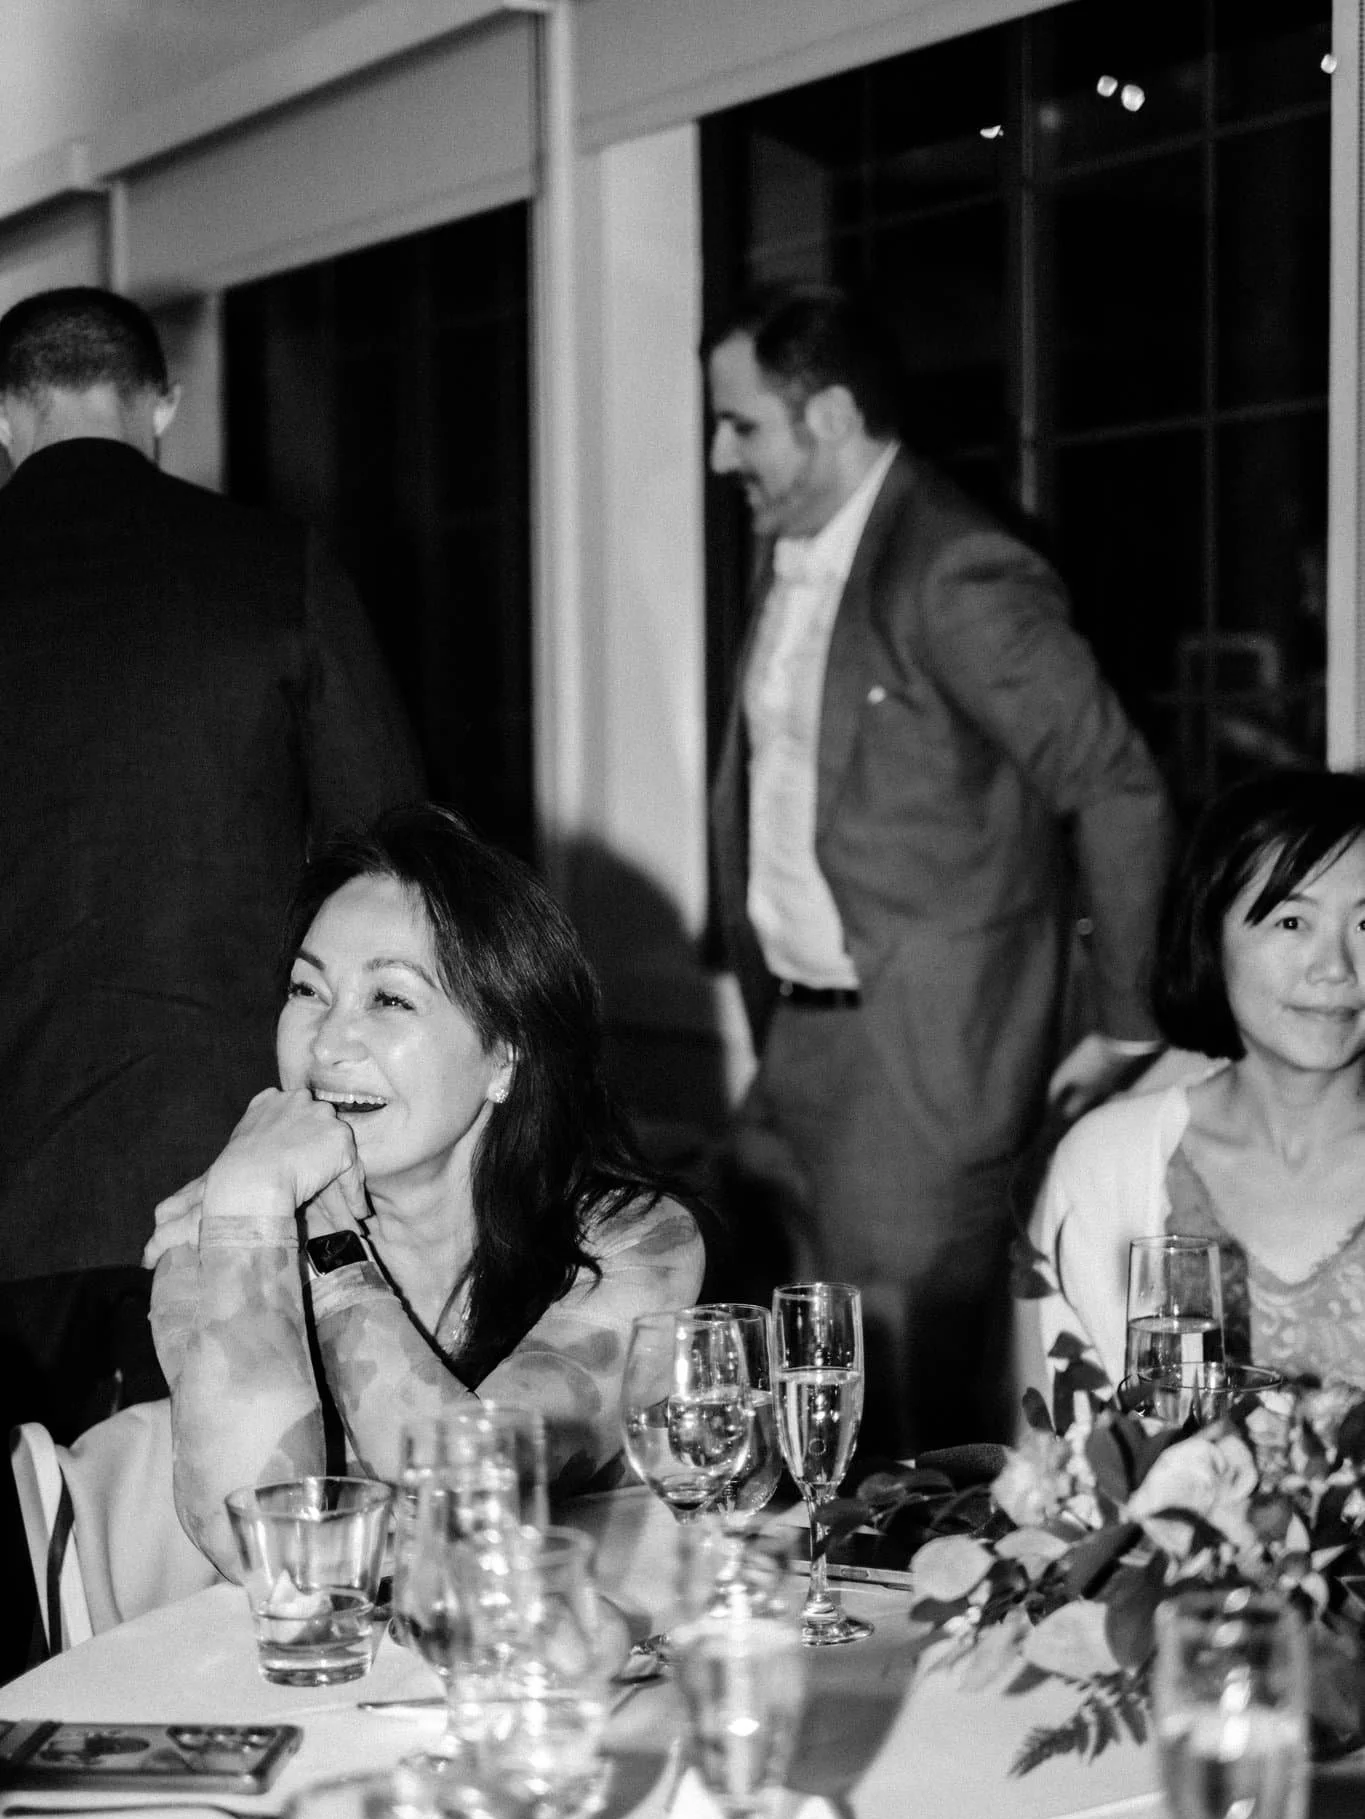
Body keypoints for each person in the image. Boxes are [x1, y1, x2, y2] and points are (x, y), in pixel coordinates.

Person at [706, 281, 1174, 1455]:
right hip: (795, 1045)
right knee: (795, 1405)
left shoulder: (957, 567)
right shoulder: (792, 552)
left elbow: (1116, 784)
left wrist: (1123, 1020)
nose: (721, 454)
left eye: (742, 424)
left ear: (830, 417)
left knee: (904, 1435)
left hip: (920, 1067)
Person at [0, 286, 424, 1447]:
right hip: (213, 1182)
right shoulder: (271, 566)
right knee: (220, 1571)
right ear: (164, 405)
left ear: (4, 415)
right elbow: (395, 869)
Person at [143, 803, 705, 1577]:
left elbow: (475, 1508)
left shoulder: (630, 1240)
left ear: (506, 1053)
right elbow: (277, 1561)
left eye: (389, 999)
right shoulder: (226, 1238)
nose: (328, 1043)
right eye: (308, 992)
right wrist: (249, 1213)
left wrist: (333, 1260)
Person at [1017, 770, 1365, 1404]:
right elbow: (1051, 1461)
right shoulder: (1105, 1166)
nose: (1336, 967)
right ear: (1210, 935)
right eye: (1291, 923)